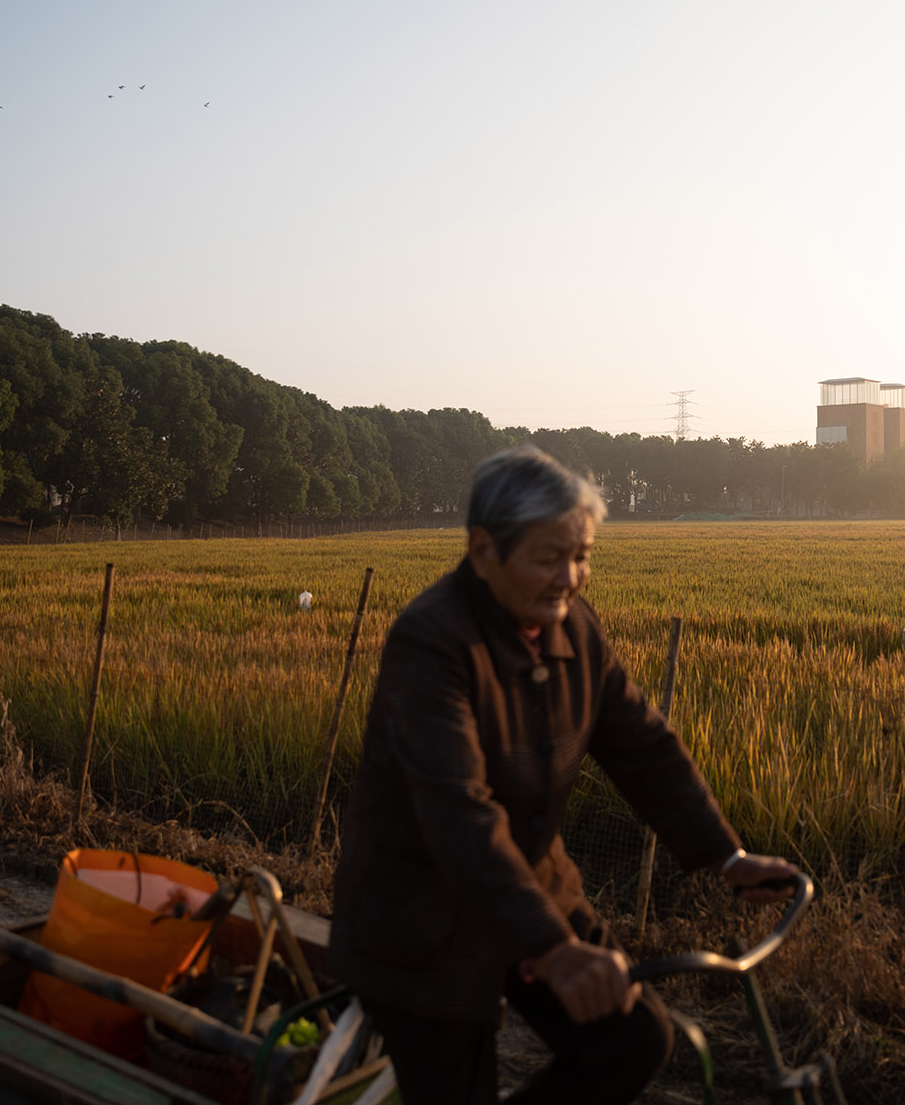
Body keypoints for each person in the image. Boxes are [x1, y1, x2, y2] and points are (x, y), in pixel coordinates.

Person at [330, 445, 798, 1104]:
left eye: (582, 556)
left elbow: (642, 744)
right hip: (424, 918)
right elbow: (458, 812)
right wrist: (554, 950)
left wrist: (726, 855)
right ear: (483, 549)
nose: (571, 577)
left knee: (632, 1039)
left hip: (535, 889)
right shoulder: (432, 643)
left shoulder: (574, 627)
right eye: (550, 557)